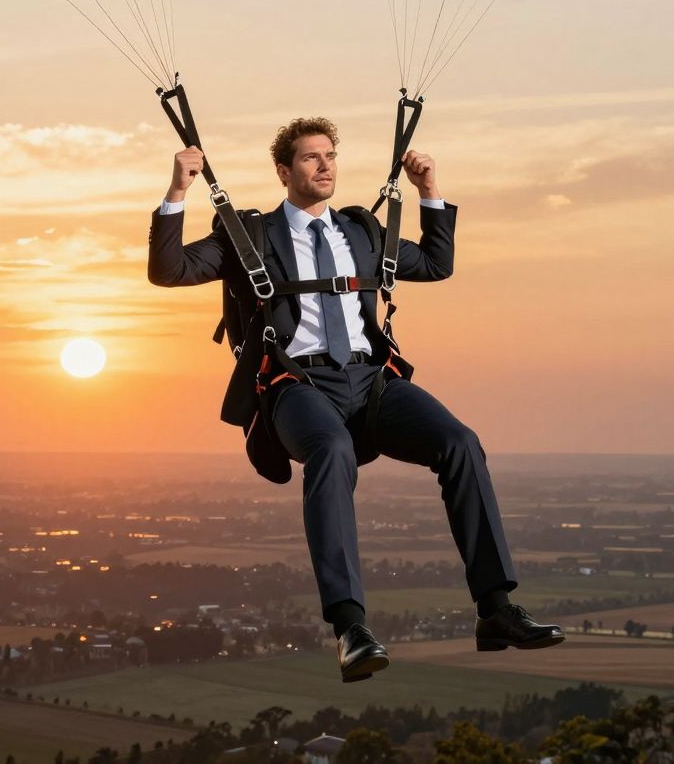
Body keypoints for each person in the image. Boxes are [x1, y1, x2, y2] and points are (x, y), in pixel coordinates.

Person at [147, 116, 563, 682]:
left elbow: (438, 264)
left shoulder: (363, 232)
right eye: (310, 158)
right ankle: (350, 627)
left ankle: (495, 609)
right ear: (283, 171)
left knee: (460, 443)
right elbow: (168, 271)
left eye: (330, 156)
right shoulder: (249, 236)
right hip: (296, 384)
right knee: (332, 450)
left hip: (373, 382)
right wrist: (178, 191)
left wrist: (429, 192)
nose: (324, 166)